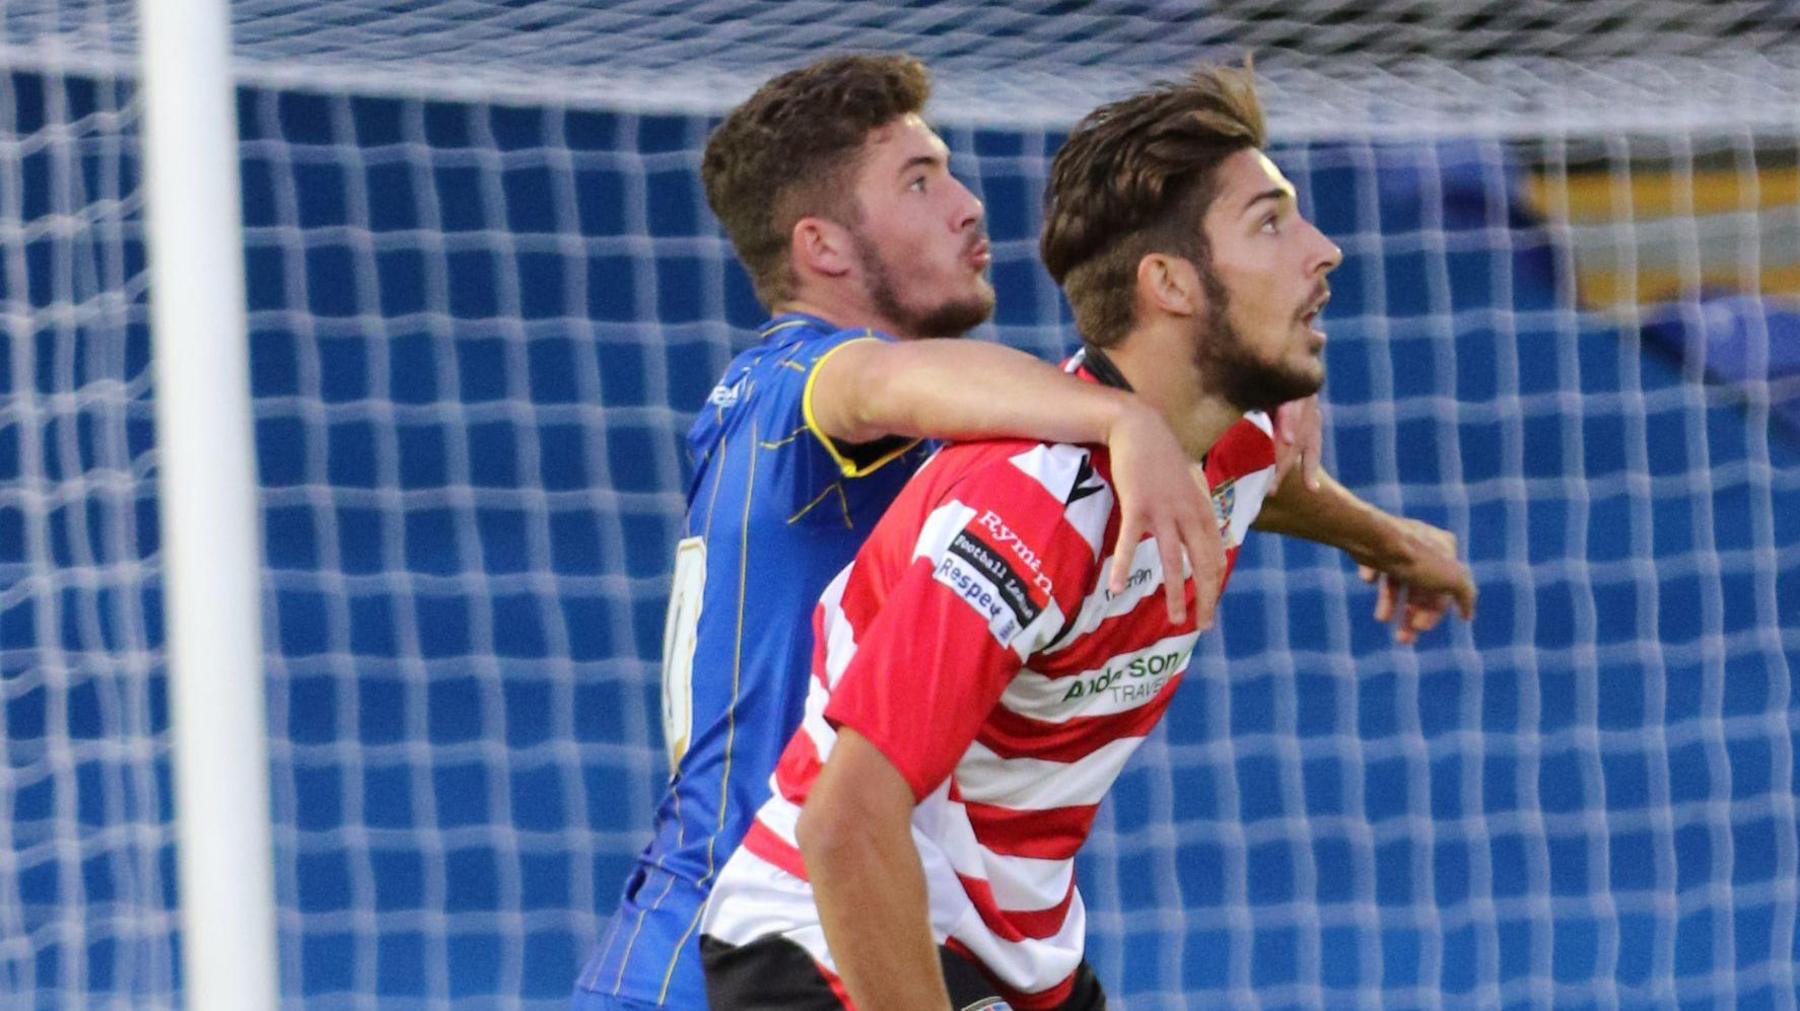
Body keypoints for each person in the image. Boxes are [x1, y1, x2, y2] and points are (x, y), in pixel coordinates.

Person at [696, 63, 1478, 1010]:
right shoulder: (1028, 509)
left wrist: (1388, 540)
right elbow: (848, 824)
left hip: (1014, 944)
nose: (1326, 249)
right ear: (1171, 285)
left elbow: (1267, 478)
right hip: (829, 932)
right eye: (1271, 222)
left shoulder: (1228, 437)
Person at [572, 53, 1329, 1011]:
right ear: (824, 248)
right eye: (921, 182)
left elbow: (1161, 425)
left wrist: (1274, 421)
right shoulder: (808, 377)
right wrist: (1125, 419)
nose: (970, 205)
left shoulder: (968, 425)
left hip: (834, 917)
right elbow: (897, 385)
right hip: (736, 945)